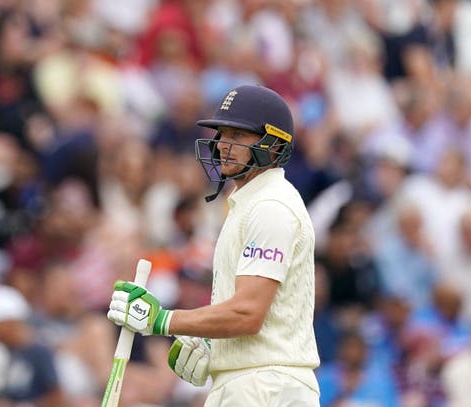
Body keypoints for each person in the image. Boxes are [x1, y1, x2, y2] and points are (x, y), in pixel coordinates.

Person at [107, 85, 320, 406]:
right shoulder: (248, 202)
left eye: (239, 135)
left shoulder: (271, 206)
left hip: (265, 385)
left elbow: (248, 313)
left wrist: (162, 320)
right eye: (222, 134)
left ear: (274, 146)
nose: (223, 145)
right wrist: (213, 343)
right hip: (254, 379)